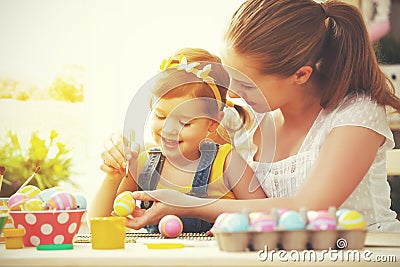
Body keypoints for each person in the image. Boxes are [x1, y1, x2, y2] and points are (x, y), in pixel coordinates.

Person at [116, 0, 400, 232]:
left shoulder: (356, 114)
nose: (232, 89)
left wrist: (188, 205)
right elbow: (178, 141)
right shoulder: (245, 118)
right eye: (231, 73)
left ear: (300, 74)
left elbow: (310, 207)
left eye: (246, 82)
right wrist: (119, 154)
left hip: (363, 255)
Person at [88, 48, 266, 233]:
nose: (168, 129)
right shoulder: (143, 164)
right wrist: (112, 176)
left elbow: (266, 214)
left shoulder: (228, 163)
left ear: (213, 123)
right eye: (161, 116)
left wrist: (233, 223)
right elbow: (100, 222)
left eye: (184, 122)